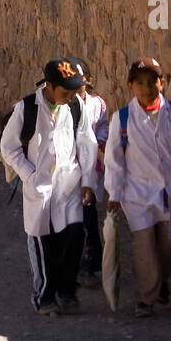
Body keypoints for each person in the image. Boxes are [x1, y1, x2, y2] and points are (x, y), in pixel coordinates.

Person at [0, 58, 97, 316]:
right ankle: (45, 296)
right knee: (45, 243)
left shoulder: (75, 106)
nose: (70, 97)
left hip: (69, 185)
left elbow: (87, 143)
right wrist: (29, 175)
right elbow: (8, 147)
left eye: (74, 92)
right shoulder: (27, 108)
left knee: (74, 236)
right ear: (50, 86)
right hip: (40, 188)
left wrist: (88, 180)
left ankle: (66, 291)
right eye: (65, 92)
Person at [104, 55, 171, 318]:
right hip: (138, 195)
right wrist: (115, 193)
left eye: (152, 82)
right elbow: (114, 160)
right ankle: (146, 299)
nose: (146, 88)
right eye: (140, 83)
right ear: (131, 86)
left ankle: (160, 282)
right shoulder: (122, 119)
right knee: (145, 248)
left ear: (162, 83)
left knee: (170, 246)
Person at [72, 59, 108, 287]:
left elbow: (102, 126)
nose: (76, 89)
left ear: (89, 82)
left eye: (80, 83)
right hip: (68, 171)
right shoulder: (63, 106)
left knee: (88, 216)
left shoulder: (97, 105)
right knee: (70, 219)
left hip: (91, 169)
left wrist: (101, 141)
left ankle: (92, 263)